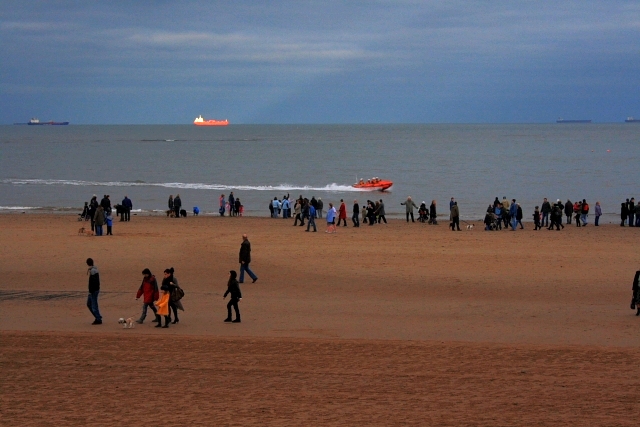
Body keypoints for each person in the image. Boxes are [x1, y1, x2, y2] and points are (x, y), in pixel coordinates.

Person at [86, 258, 102, 325]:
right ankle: (97, 316)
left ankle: (98, 319)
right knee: (89, 304)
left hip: (93, 291)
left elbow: (94, 282)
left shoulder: (93, 271)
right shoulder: (94, 270)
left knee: (93, 305)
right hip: (93, 290)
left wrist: (91, 290)